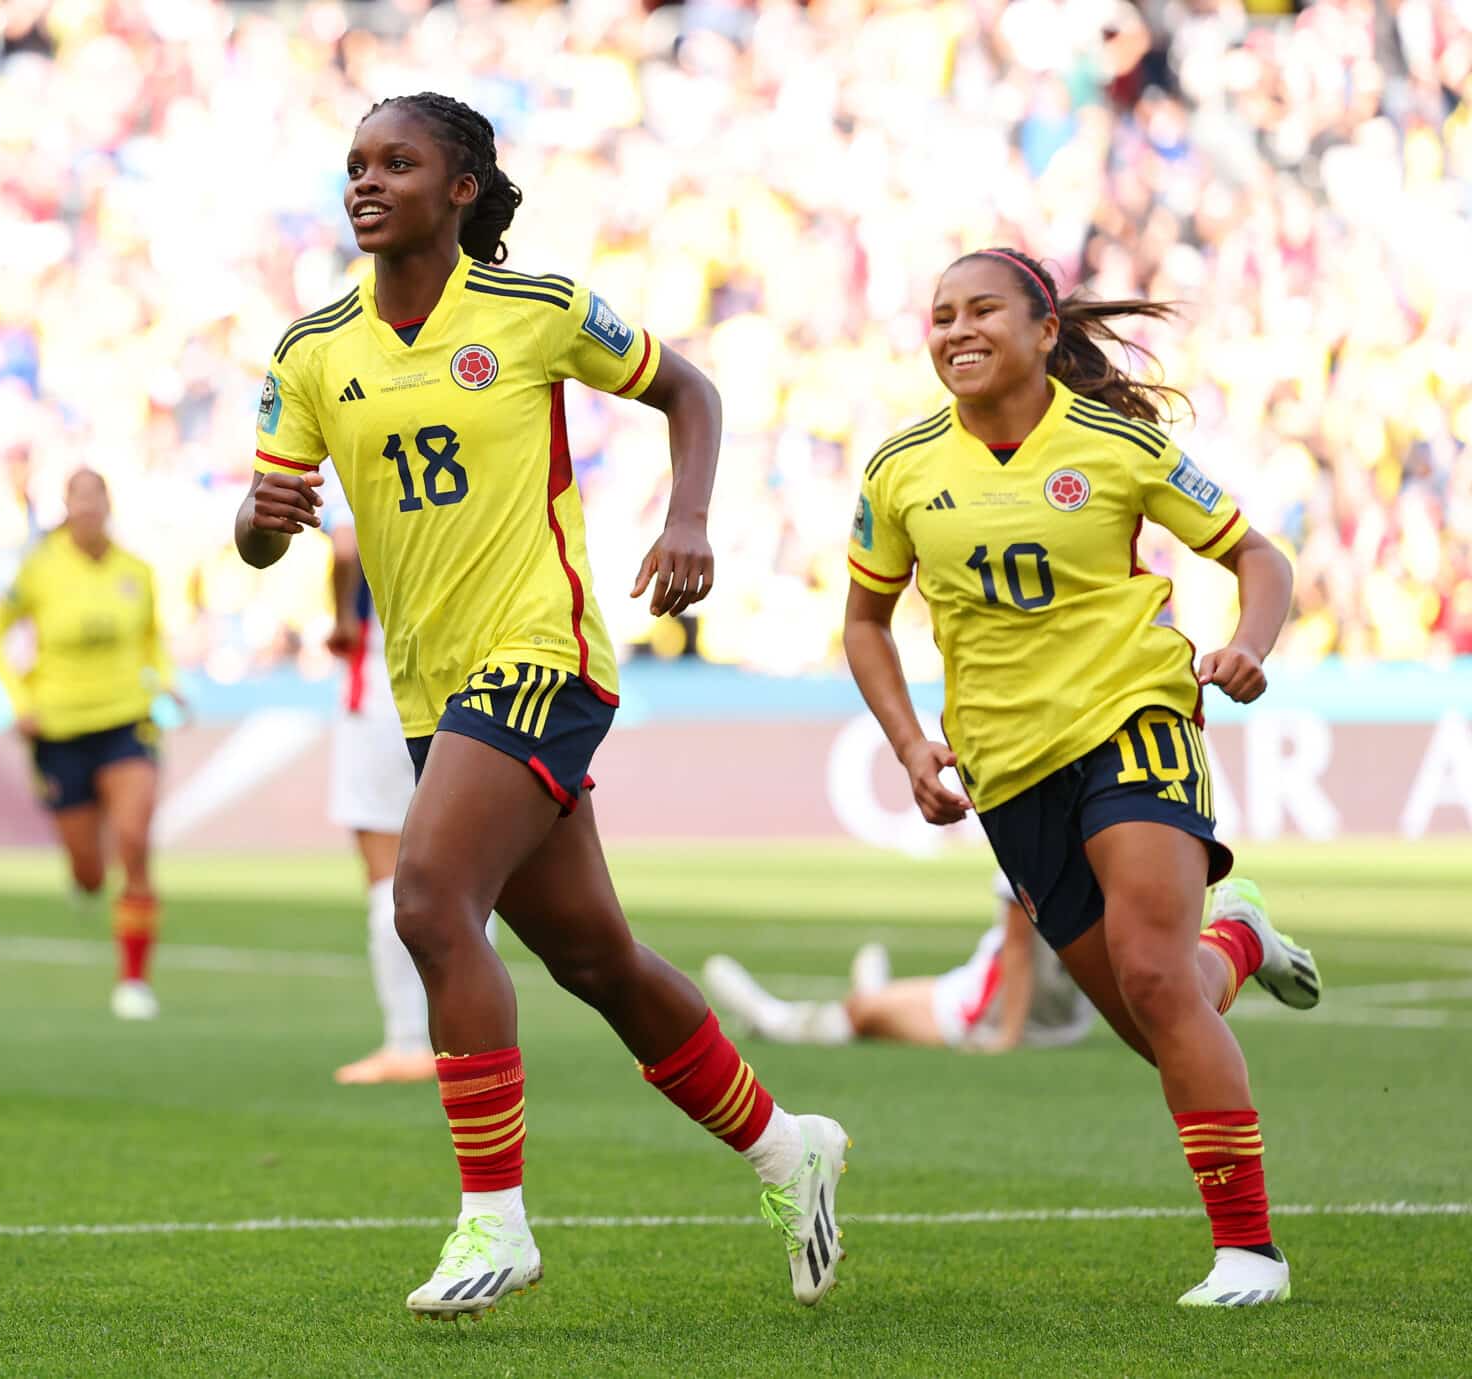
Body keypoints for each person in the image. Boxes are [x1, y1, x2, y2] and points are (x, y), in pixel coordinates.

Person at [235, 92, 850, 1319]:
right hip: (429, 685)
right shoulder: (311, 350)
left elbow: (692, 393)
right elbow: (262, 533)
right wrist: (259, 525)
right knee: (593, 956)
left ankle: (493, 1219)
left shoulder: (536, 310)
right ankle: (791, 1148)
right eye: (355, 164)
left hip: (539, 655)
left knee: (426, 898)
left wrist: (686, 519)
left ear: (459, 187)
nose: (365, 181)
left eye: (395, 162)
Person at [843, 246, 1321, 1307]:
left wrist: (1248, 642)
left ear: (1043, 328)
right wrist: (909, 743)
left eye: (979, 311)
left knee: (1155, 977)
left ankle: (1248, 1252)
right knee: (1159, 1008)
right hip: (1008, 771)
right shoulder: (899, 468)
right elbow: (863, 622)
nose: (955, 330)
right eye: (938, 315)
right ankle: (1236, 934)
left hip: (1131, 720)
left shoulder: (1115, 445)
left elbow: (1258, 556)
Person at [0, 469, 181, 1022]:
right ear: (66, 508)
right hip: (60, 729)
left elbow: (151, 636)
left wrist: (165, 680)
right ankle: (85, 868)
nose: (88, 509)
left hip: (126, 722)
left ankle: (135, 982)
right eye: (78, 500)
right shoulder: (40, 570)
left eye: (97, 499)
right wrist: (19, 699)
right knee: (91, 872)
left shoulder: (135, 571)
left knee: (135, 839)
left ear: (108, 506)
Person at [704, 873, 1096, 1051]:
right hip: (1060, 1014)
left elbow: (1017, 948)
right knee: (878, 1007)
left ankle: (773, 1019)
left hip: (990, 1011)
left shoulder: (1033, 827)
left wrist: (1007, 1038)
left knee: (864, 1013)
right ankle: (875, 992)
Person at [320, 471, 434, 1085]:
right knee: (467, 866)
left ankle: (408, 1040)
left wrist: (342, 615)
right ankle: (470, 1038)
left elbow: (343, 545)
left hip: (387, 676)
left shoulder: (356, 436)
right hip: (468, 668)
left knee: (385, 867)